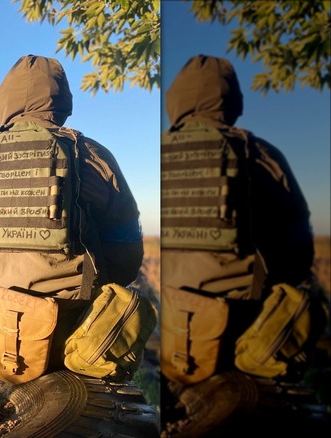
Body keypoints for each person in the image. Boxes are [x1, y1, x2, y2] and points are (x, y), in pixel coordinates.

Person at [0, 55, 154, 384]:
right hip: (62, 335)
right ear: (62, 101)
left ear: (2, 100)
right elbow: (126, 254)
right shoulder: (90, 155)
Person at [160, 54, 328, 437]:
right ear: (232, 102)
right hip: (239, 337)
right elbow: (297, 256)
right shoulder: (261, 154)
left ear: (175, 100)